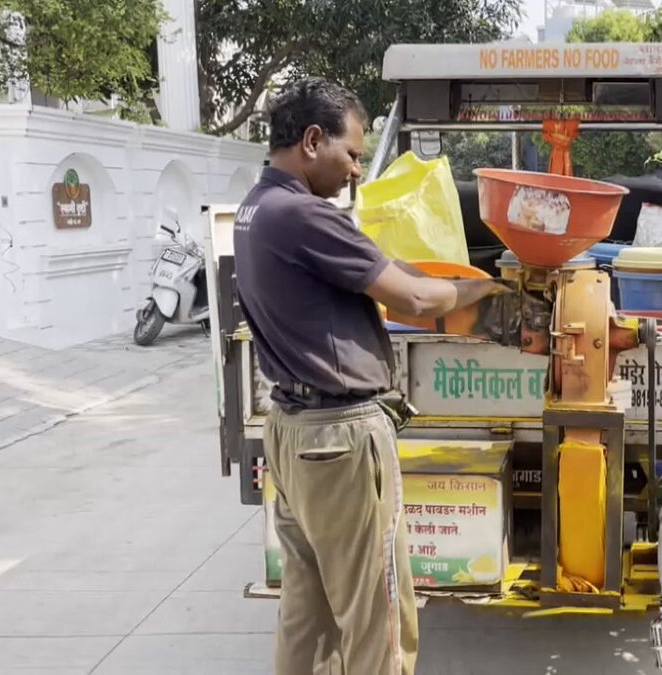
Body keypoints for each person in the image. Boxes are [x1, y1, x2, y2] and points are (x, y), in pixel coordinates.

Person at [233, 77, 510, 675]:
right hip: (341, 438)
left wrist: (441, 277)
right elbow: (411, 297)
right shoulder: (304, 215)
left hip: (292, 432)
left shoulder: (259, 207)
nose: (358, 170)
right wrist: (484, 288)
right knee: (378, 615)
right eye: (352, 154)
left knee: (308, 615)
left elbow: (383, 266)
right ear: (312, 140)